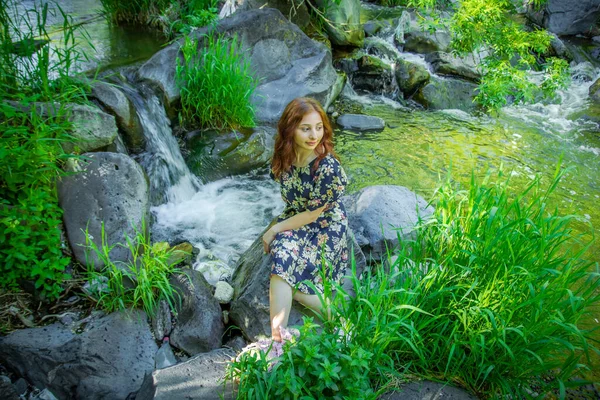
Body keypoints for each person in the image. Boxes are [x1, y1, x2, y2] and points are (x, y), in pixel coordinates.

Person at [263, 97, 349, 343]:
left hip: (325, 224)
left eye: (319, 127)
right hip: (297, 216)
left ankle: (338, 318)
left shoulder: (326, 167)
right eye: (306, 128)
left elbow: (313, 214)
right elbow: (293, 202)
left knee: (293, 277)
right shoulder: (285, 155)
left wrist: (275, 229)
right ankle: (278, 339)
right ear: (290, 129)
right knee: (282, 260)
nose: (314, 135)